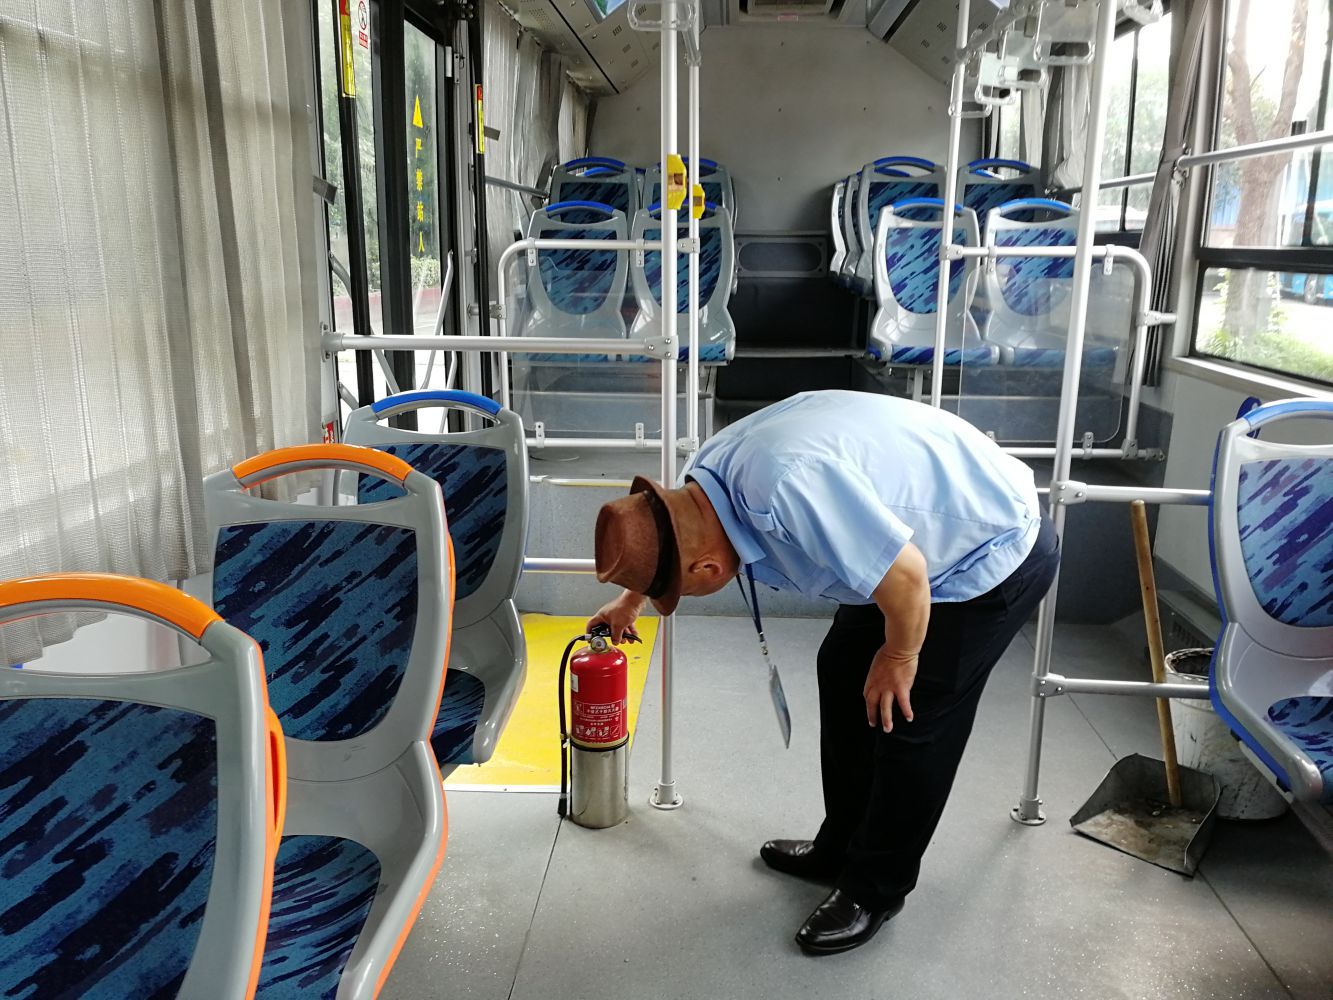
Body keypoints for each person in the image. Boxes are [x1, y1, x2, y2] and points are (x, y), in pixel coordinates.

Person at [589, 389, 1059, 956]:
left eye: (676, 590)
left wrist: (899, 657)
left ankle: (875, 888)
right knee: (842, 669)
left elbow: (908, 577)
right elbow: (667, 534)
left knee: (911, 713)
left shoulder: (789, 492)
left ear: (708, 568)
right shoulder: (702, 483)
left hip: (985, 549)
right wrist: (631, 600)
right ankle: (839, 848)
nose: (676, 596)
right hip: (908, 537)